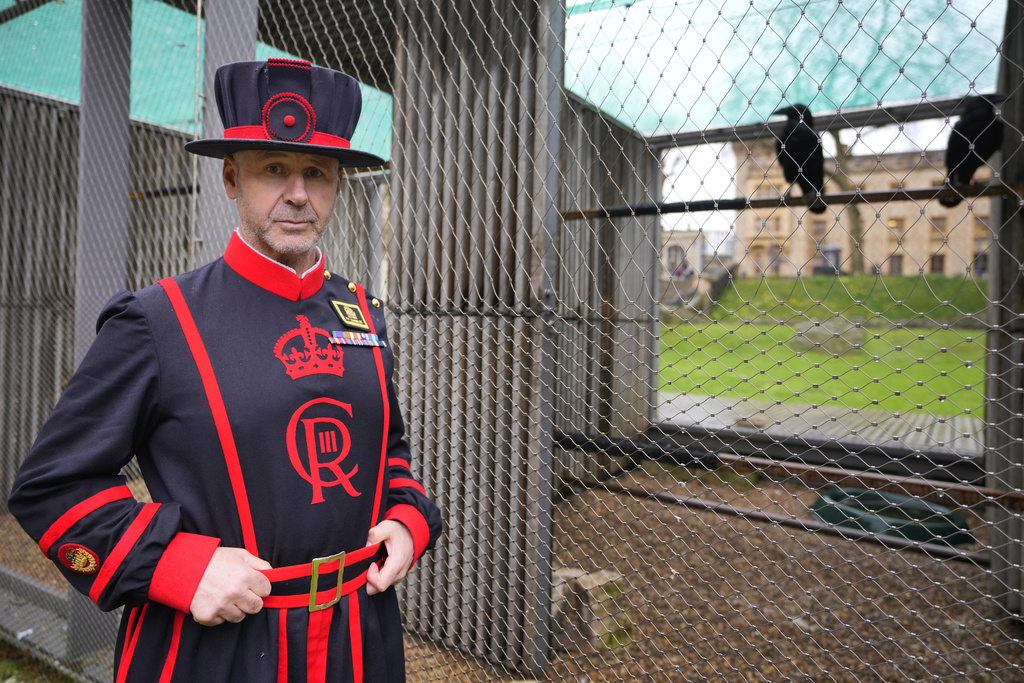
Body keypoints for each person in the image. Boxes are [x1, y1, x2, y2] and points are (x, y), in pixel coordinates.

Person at [8, 58, 442, 683]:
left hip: (360, 642)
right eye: (274, 169)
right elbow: (52, 485)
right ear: (231, 177)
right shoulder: (159, 321)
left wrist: (408, 517)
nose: (298, 193)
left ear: (339, 185)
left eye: (317, 173)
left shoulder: (362, 312)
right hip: (219, 651)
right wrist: (177, 566)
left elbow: (386, 453)